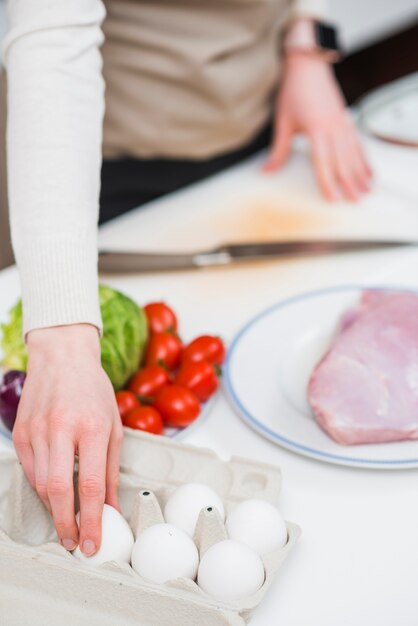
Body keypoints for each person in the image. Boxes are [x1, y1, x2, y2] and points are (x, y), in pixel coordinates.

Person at [3, 0, 371, 558]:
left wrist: (306, 37)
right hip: (108, 157)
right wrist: (62, 343)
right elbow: (51, 35)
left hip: (259, 117)